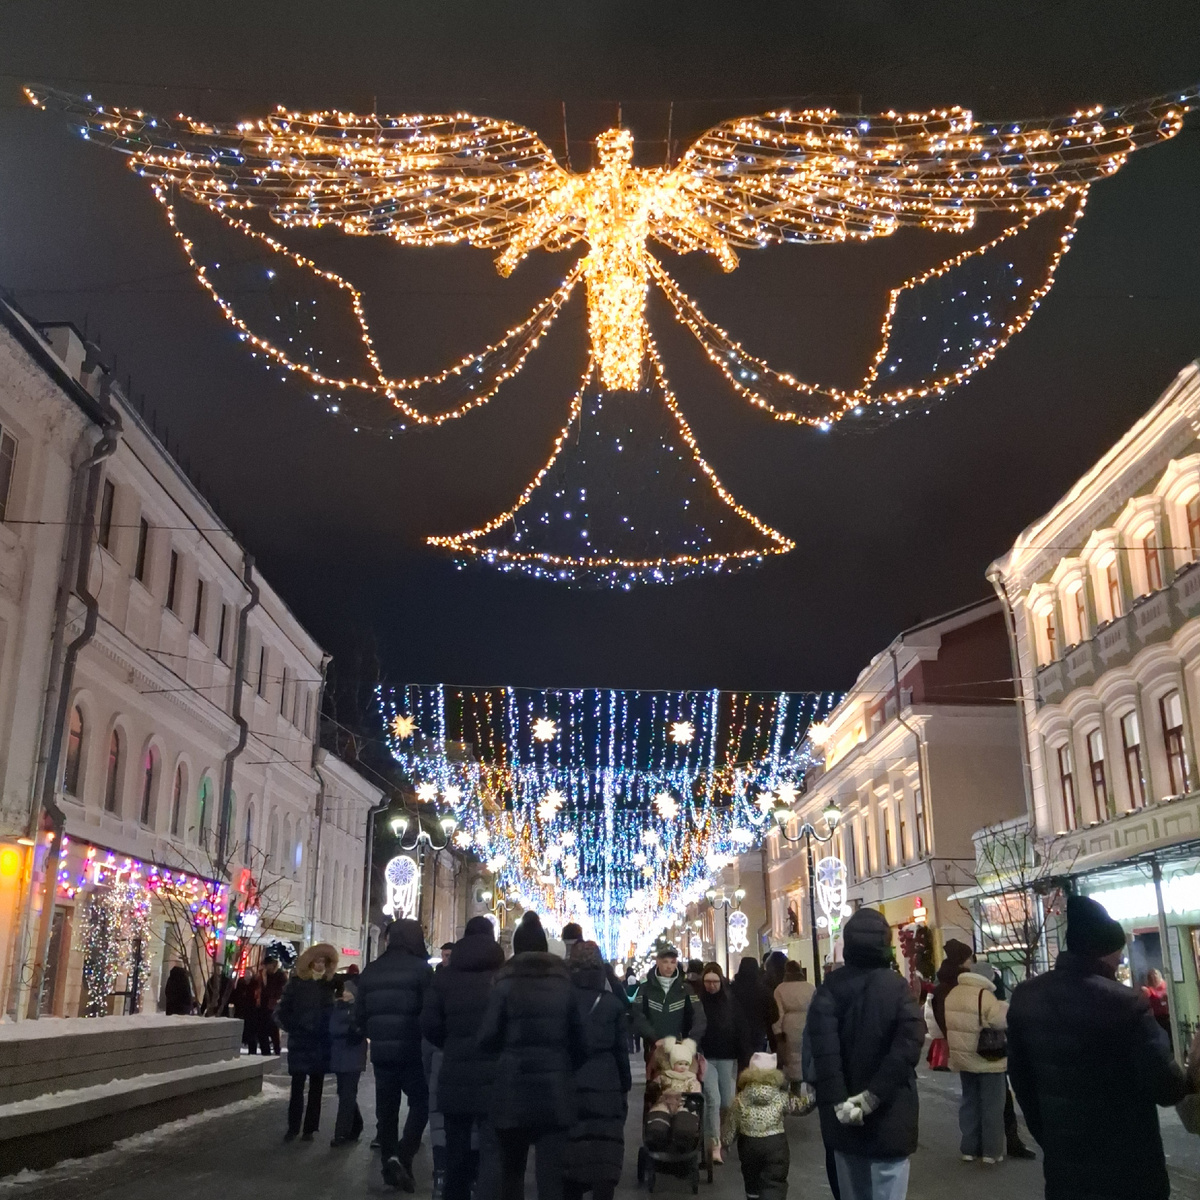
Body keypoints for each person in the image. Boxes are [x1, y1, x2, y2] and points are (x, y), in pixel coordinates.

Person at [1008, 894, 1190, 1200]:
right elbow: (1166, 1087)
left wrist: (1051, 1139)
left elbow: (1021, 1081)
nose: (1120, 958)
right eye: (1118, 951)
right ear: (1104, 952)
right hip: (1129, 1166)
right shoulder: (1126, 1003)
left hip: (1064, 1168)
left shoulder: (1027, 997)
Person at [807, 906, 925, 1200]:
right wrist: (873, 1096)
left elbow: (824, 1052)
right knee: (889, 1188)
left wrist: (839, 1103)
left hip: (843, 1118)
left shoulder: (830, 988)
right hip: (891, 1112)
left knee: (852, 1190)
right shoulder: (898, 988)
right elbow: (908, 1045)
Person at [476, 910, 587, 1200]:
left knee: (511, 1172)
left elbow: (486, 1038)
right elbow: (581, 1042)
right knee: (550, 1176)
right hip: (555, 1092)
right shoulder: (564, 984)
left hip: (512, 1090)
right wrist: (563, 1067)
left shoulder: (504, 983)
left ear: (517, 947)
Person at [421, 915, 506, 1200]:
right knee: (491, 1150)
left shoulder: (445, 977)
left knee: (455, 1147)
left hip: (455, 1070)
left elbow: (429, 1025)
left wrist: (451, 1042)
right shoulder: (501, 977)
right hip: (494, 1073)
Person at [355, 918, 433, 1191]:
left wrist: (375, 1034)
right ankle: (404, 1152)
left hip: (382, 1052)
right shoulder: (422, 971)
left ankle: (390, 1158)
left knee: (386, 1109)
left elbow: (359, 1015)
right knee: (421, 1102)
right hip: (412, 1050)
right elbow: (430, 1012)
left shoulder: (372, 970)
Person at [563, 941, 632, 1200]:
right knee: (605, 1146)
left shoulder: (564, 1001)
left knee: (573, 1145)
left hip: (572, 1078)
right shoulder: (612, 1004)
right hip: (606, 1081)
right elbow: (620, 1052)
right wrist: (623, 1084)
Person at [943, 952, 1008, 1164]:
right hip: (988, 1059)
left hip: (963, 1057)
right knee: (992, 1106)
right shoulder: (985, 996)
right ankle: (991, 1152)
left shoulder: (954, 993)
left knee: (969, 1103)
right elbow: (999, 1022)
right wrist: (1004, 1006)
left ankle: (969, 1148)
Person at [972, 958, 1035, 1161]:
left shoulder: (965, 994)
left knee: (978, 1103)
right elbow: (1003, 1023)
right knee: (999, 1102)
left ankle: (979, 1146)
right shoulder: (992, 998)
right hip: (994, 1055)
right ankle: (1001, 1145)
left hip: (973, 1056)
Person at [276, 942, 338, 1142]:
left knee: (316, 1088)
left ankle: (310, 1129)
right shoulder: (297, 983)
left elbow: (334, 1013)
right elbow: (281, 1012)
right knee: (297, 1087)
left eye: (323, 962)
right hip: (301, 1042)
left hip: (320, 1043)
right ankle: (293, 1127)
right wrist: (294, 1026)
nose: (320, 965)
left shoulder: (329, 985)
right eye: (317, 961)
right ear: (310, 962)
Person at [722, 1052, 797, 1200]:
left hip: (749, 1145)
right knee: (775, 1182)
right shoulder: (781, 1096)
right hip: (776, 1144)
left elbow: (731, 1124)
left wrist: (725, 1143)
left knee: (752, 1182)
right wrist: (817, 1095)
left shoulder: (740, 1098)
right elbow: (801, 1106)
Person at [697, 961, 752, 1164]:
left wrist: (743, 1055)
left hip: (728, 1057)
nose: (711, 985)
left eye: (714, 981)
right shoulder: (699, 1003)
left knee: (728, 1101)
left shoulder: (731, 1003)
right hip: (706, 1057)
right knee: (713, 1098)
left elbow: (740, 1029)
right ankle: (714, 1144)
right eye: (708, 981)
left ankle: (720, 1136)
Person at [634, 945, 706, 1053]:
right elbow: (637, 1016)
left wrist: (692, 1041)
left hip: (680, 1050)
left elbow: (699, 1017)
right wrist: (653, 1038)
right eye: (665, 962)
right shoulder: (645, 989)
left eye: (672, 962)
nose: (669, 966)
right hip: (654, 1049)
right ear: (657, 962)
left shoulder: (686, 989)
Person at [329, 970, 367, 1146]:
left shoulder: (359, 1010)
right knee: (343, 1093)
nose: (344, 993)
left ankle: (341, 1133)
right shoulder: (336, 1007)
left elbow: (359, 1029)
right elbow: (332, 1029)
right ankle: (357, 1124)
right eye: (343, 990)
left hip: (353, 1056)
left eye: (348, 990)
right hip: (339, 1055)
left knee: (347, 1094)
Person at [773, 961, 815, 1093]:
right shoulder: (810, 987)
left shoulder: (780, 989)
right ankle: (805, 1082)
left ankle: (793, 1087)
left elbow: (777, 1013)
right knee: (805, 1053)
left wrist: (777, 1031)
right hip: (807, 1023)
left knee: (790, 1057)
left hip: (789, 1025)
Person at [731, 958, 777, 1054]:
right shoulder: (763, 990)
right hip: (757, 1032)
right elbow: (774, 1015)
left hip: (735, 1033)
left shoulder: (732, 989)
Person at [230, 968, 262, 1053]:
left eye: (249, 973)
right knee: (239, 1033)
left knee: (251, 1034)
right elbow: (235, 995)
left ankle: (252, 1052)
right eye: (246, 973)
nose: (247, 975)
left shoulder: (255, 984)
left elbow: (257, 998)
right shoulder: (240, 983)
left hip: (251, 1013)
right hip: (241, 1012)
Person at [259, 957, 287, 1054]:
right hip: (263, 1005)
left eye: (267, 965)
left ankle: (276, 1049)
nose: (266, 968)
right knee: (262, 1029)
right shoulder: (264, 975)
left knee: (273, 1029)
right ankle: (265, 1051)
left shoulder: (280, 975)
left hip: (273, 1006)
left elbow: (282, 990)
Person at [1143, 967, 1171, 1037]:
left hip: (1168, 1016)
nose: (1154, 977)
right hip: (1156, 1018)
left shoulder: (1166, 986)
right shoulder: (1149, 990)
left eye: (1155, 974)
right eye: (1151, 976)